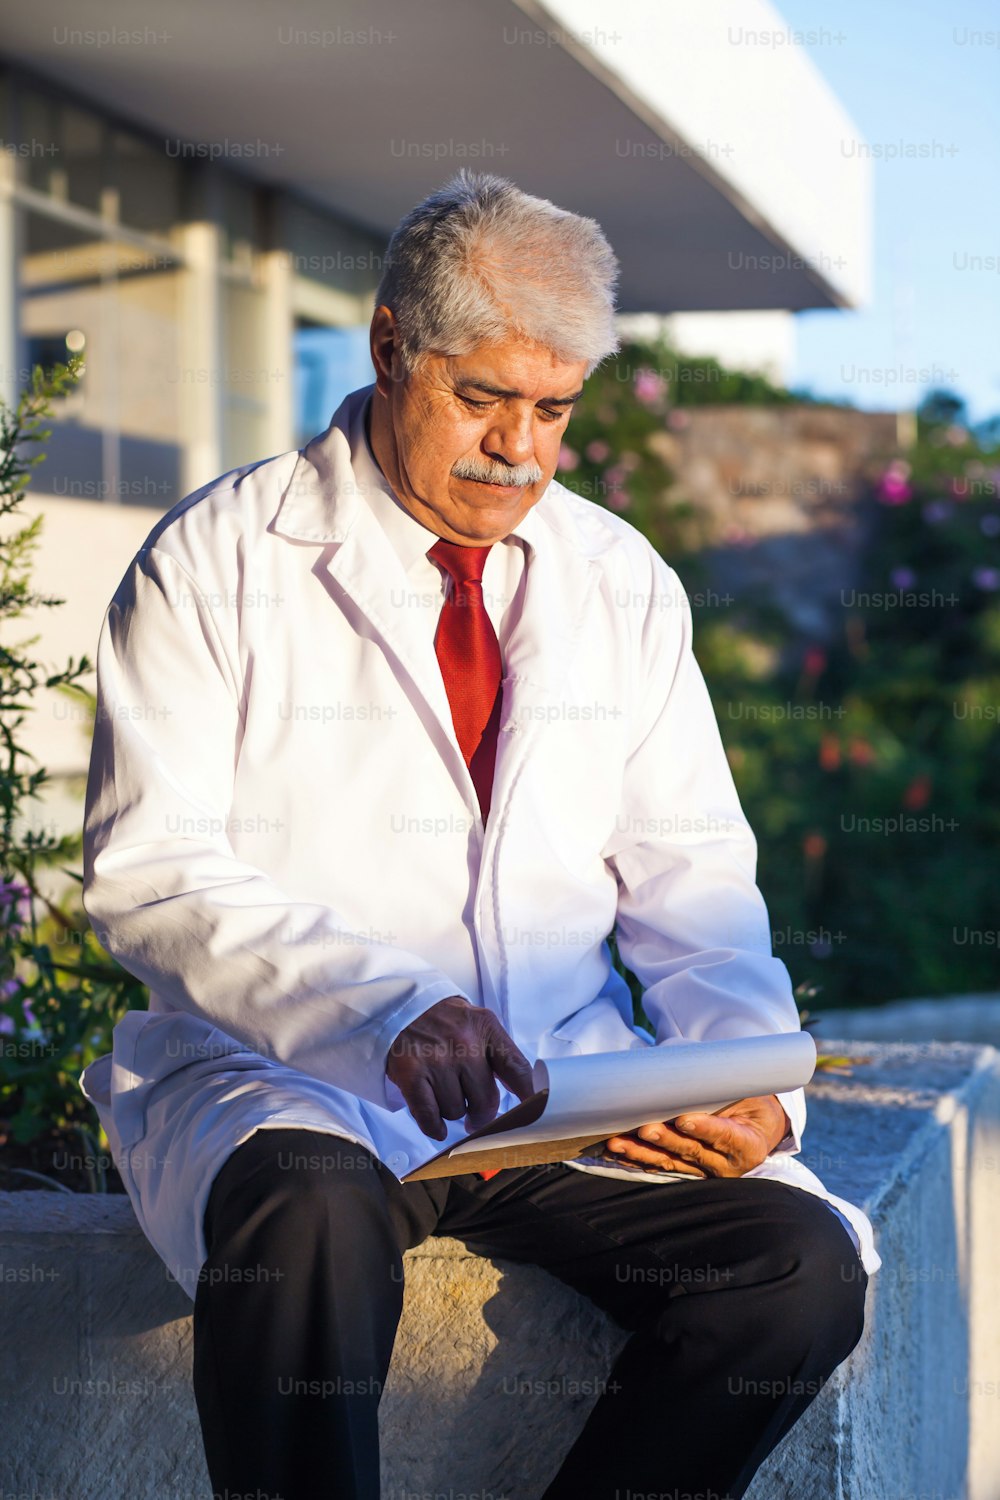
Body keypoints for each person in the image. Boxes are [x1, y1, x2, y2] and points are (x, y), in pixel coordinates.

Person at [79, 169, 879, 1500]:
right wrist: (385, 1010)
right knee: (305, 1226)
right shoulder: (214, 557)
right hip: (307, 1086)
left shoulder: (617, 577)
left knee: (795, 1275)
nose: (521, 446)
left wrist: (745, 1079)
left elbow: (692, 874)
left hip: (562, 1098)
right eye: (483, 398)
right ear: (392, 345)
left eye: (554, 410)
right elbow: (153, 871)